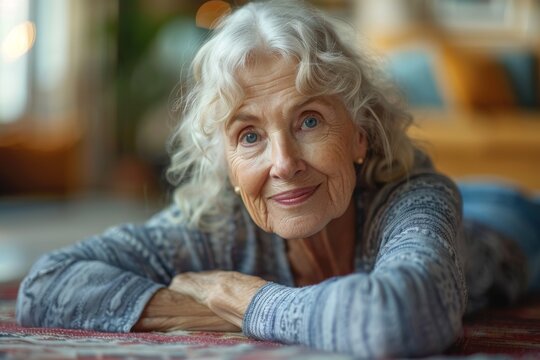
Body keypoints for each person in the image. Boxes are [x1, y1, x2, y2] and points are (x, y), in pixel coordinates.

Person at [16, 1, 539, 358]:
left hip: (508, 220)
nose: (283, 163)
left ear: (359, 133)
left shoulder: (415, 198)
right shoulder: (221, 223)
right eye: (249, 136)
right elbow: (46, 288)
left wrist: (237, 294)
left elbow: (400, 318)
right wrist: (216, 311)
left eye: (309, 120)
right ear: (223, 158)